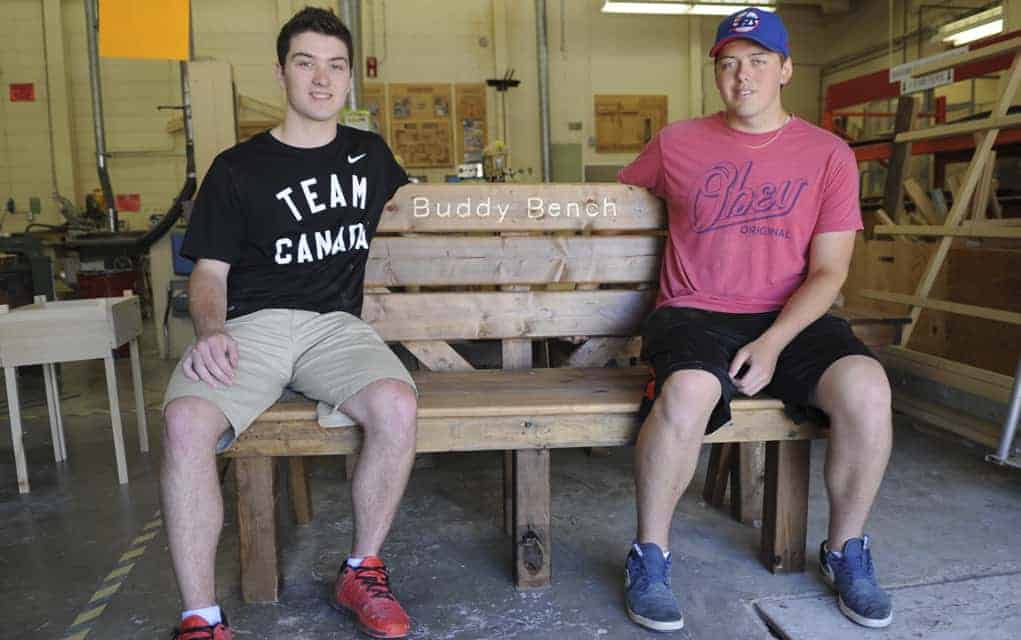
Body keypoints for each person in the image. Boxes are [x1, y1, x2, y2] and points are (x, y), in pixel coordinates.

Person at [618, 7, 893, 632]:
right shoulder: (677, 143)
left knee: (867, 388)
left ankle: (846, 549)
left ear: (786, 69)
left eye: (758, 61)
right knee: (688, 389)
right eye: (729, 63)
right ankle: (649, 556)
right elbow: (619, 199)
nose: (743, 76)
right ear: (716, 73)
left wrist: (772, 342)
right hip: (693, 312)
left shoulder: (828, 155)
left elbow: (829, 272)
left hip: (790, 318)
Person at [161, 7, 417, 639]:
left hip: (337, 327)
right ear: (281, 73)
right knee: (185, 420)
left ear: (351, 79)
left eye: (336, 67)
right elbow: (208, 274)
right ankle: (201, 616)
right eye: (307, 64)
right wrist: (211, 330)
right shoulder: (237, 167)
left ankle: (362, 569)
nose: (322, 80)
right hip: (255, 325)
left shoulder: (371, 155)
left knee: (397, 404)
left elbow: (416, 210)